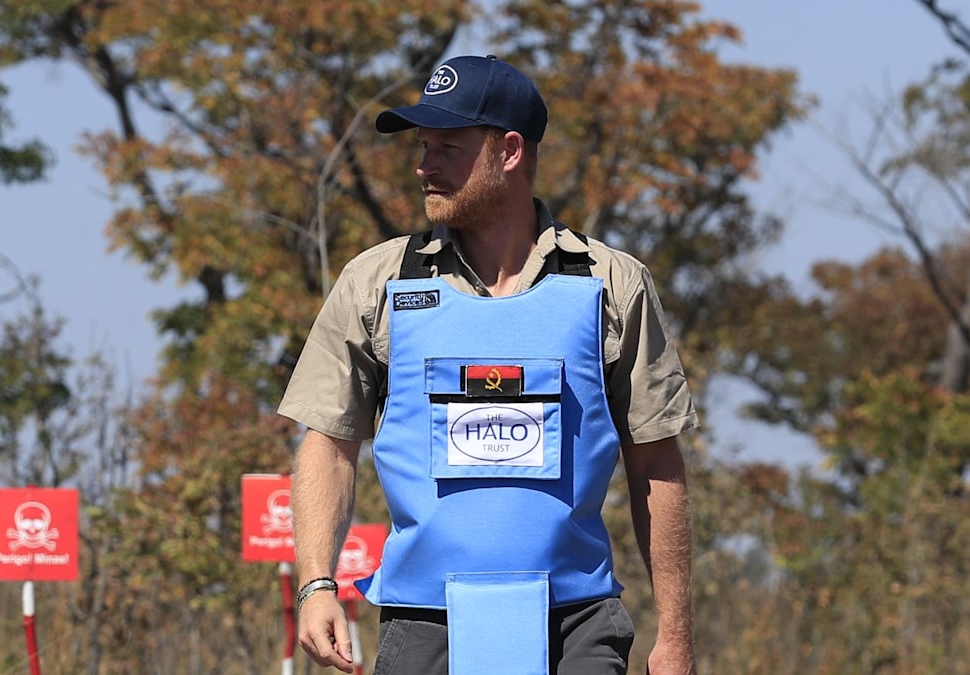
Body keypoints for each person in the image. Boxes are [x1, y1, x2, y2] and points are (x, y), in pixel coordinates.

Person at [278, 53, 698, 675]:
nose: (425, 166)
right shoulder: (377, 282)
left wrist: (676, 633)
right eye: (424, 146)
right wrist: (317, 585)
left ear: (509, 151)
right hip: (423, 626)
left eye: (448, 148)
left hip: (577, 626)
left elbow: (656, 461)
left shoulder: (612, 284)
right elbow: (328, 444)